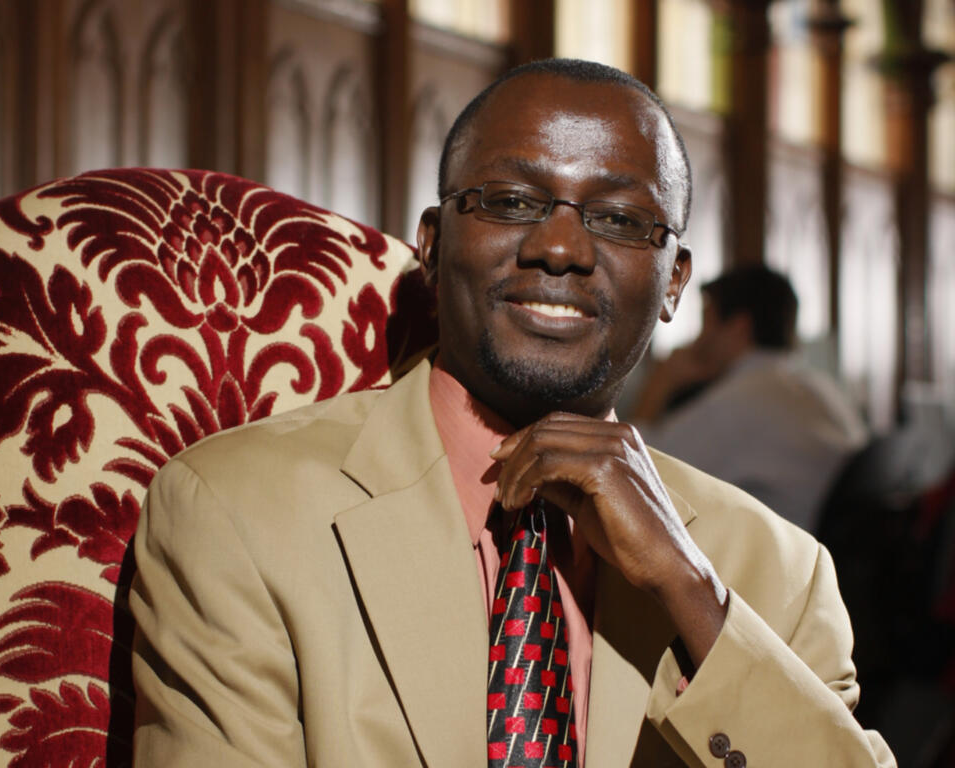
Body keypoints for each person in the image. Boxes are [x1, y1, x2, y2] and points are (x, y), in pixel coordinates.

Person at [130, 59, 895, 767]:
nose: (560, 247)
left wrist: (689, 590)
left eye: (621, 219)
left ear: (673, 284)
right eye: (511, 201)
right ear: (430, 247)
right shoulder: (238, 512)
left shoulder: (783, 577)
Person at [631, 266, 868, 531]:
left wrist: (659, 384)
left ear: (738, 329)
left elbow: (638, 473)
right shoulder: (822, 388)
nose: (699, 340)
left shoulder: (741, 400)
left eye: (706, 321)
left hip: (781, 560)